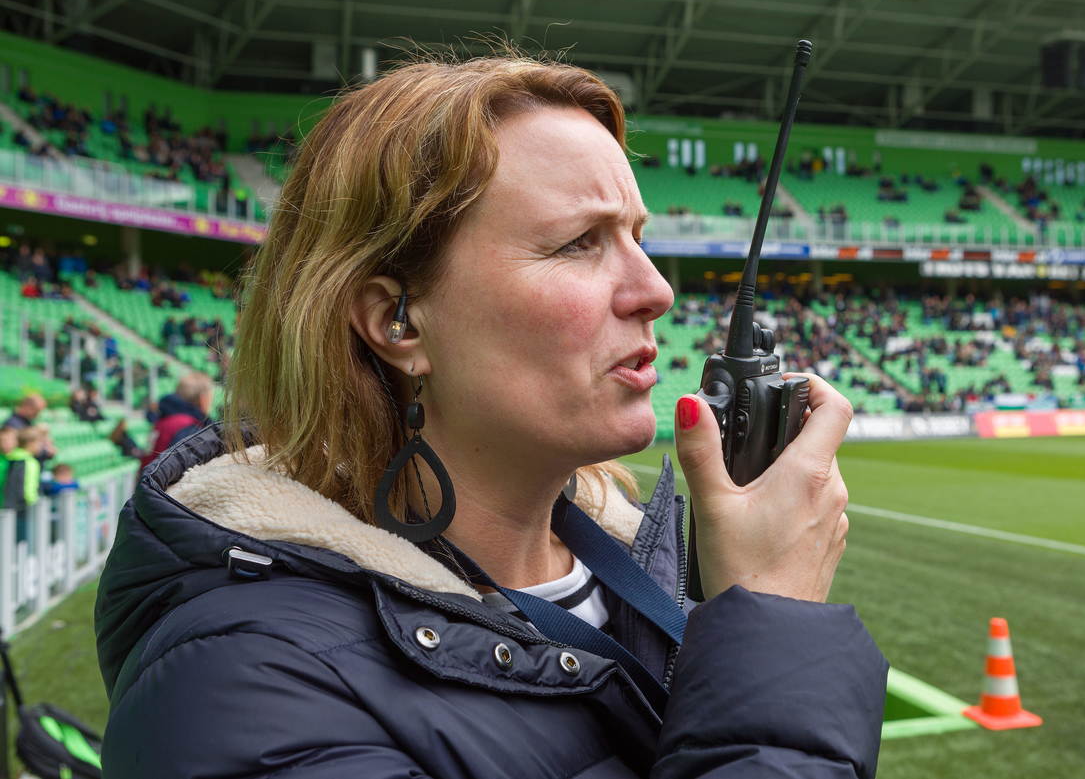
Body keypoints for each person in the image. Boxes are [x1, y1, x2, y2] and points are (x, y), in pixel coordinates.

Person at [95, 54, 886, 778]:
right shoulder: (237, 684)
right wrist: (771, 620)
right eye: (579, 243)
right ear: (397, 321)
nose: (656, 290)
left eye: (637, 238)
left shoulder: (656, 567)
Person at [107, 371, 215, 470]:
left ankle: (125, 441)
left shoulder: (164, 421)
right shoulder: (190, 427)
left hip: (147, 479)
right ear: (203, 399)